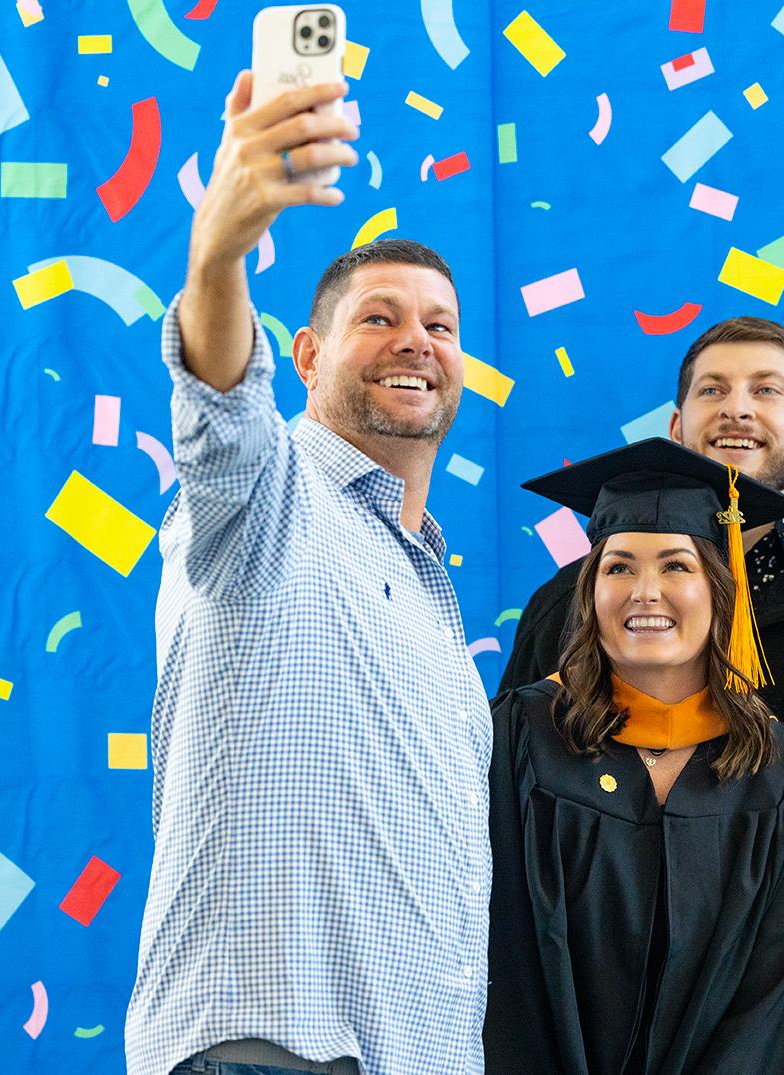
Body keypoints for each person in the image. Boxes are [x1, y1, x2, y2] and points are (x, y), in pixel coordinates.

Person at [126, 72, 491, 1075]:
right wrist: (221, 245)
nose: (416, 339)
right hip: (264, 1056)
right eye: (378, 318)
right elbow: (219, 410)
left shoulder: (434, 601)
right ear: (305, 354)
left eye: (440, 325)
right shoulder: (272, 500)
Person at [499, 318, 784, 1072]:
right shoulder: (557, 623)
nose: (736, 409)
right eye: (712, 389)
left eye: (764, 389)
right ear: (676, 424)